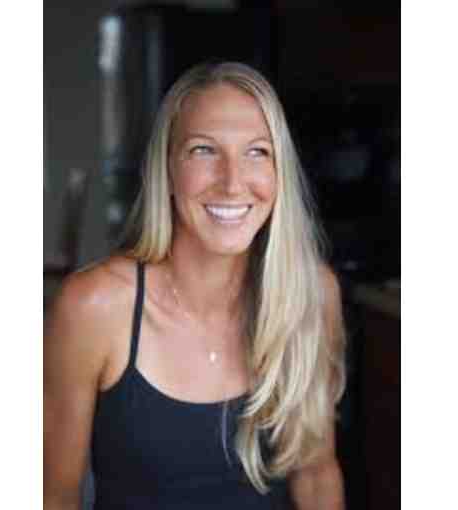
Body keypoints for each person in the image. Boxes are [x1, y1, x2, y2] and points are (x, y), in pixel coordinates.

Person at [44, 61, 347, 510]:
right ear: (167, 167)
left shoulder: (312, 295)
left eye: (257, 152)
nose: (232, 182)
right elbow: (54, 496)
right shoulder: (95, 306)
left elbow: (316, 475)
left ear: (279, 171)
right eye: (204, 150)